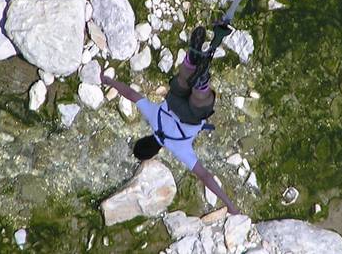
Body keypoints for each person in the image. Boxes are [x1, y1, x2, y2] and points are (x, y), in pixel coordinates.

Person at [101, 25, 240, 215]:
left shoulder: (179, 149)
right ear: (145, 138)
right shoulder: (152, 117)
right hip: (172, 102)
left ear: (155, 152)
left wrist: (230, 205)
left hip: (190, 118)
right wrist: (109, 81)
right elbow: (130, 93)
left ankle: (202, 84)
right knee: (181, 83)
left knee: (201, 102)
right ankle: (190, 60)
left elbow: (206, 177)